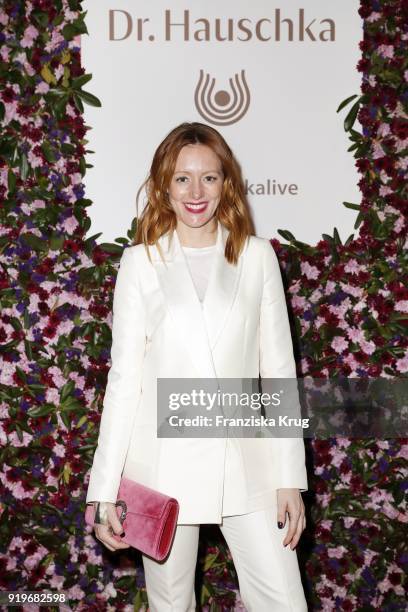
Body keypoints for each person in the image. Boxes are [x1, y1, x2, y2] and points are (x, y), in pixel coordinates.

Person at [86, 122, 309, 611]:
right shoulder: (140, 263)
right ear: (164, 185)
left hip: (249, 465)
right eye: (182, 178)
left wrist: (289, 476)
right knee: (172, 606)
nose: (196, 191)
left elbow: (278, 372)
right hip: (164, 469)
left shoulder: (256, 257)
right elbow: (123, 382)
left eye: (209, 177)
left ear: (226, 183)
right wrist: (102, 491)